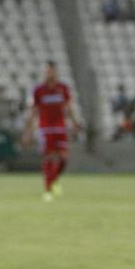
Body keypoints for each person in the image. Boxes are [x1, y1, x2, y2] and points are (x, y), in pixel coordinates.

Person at [22, 62, 83, 201]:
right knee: (49, 157)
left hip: (60, 127)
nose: (50, 73)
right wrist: (28, 131)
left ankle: (53, 181)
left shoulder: (62, 88)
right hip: (45, 128)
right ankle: (48, 190)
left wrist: (74, 123)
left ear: (56, 72)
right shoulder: (39, 90)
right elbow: (33, 111)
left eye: (52, 71)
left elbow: (68, 108)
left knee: (63, 159)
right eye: (48, 71)